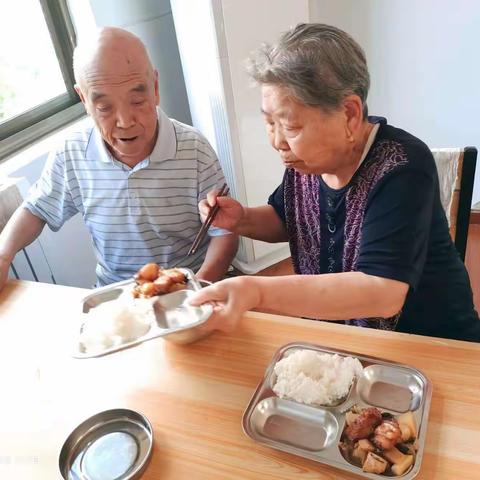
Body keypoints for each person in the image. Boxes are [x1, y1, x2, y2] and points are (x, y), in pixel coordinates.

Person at [190, 23, 480, 342]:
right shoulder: (307, 163)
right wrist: (242, 219)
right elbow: (286, 220)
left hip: (431, 342)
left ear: (350, 114)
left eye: (290, 126)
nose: (276, 141)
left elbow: (382, 292)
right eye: (269, 123)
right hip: (346, 338)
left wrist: (255, 290)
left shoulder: (402, 166)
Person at [0, 27, 238, 289]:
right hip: (115, 293)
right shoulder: (71, 152)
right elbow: (36, 209)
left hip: (187, 284)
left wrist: (197, 290)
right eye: (104, 107)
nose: (125, 121)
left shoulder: (194, 149)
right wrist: (3, 255)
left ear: (155, 87)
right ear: (83, 99)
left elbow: (224, 233)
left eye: (138, 100)